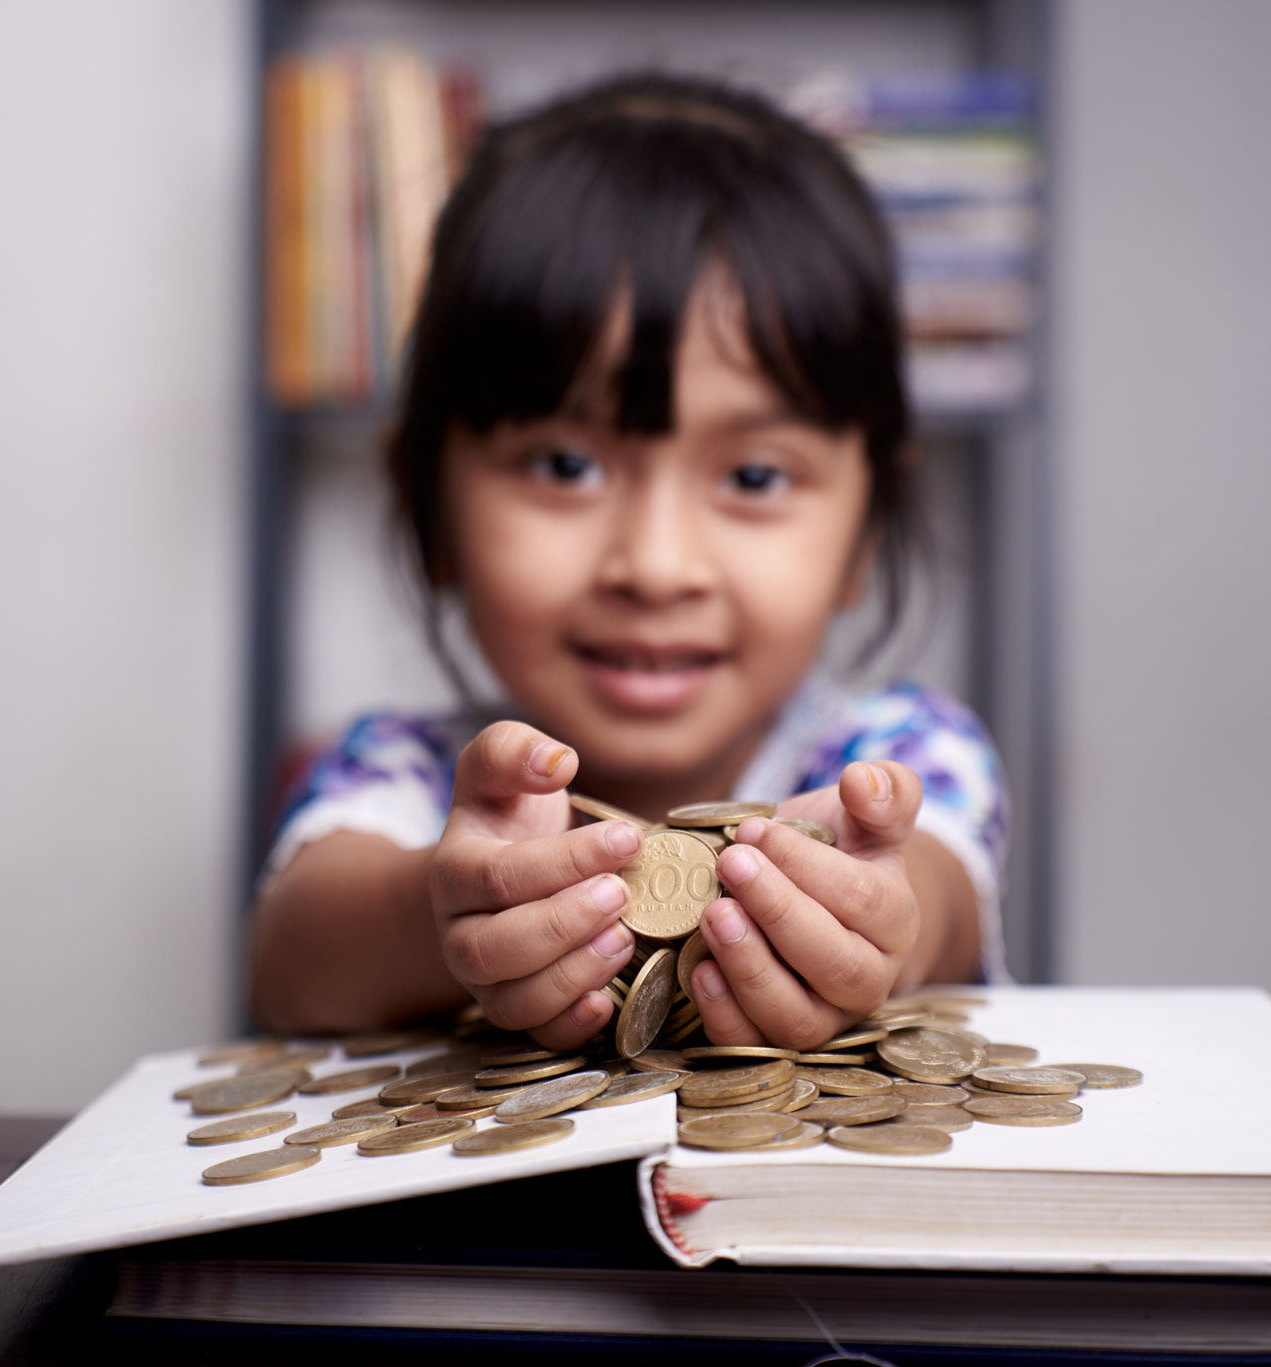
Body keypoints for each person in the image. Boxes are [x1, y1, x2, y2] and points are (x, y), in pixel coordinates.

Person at [250, 73, 1007, 1052]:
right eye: (565, 465)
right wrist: (439, 914)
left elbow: (939, 902)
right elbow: (290, 957)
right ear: (428, 504)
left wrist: (882, 919)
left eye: (753, 475)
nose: (655, 565)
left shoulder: (896, 753)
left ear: (866, 529)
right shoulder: (402, 771)